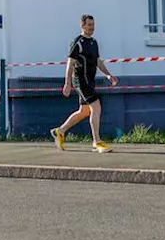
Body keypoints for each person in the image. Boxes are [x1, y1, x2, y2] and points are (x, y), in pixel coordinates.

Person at [50, 14, 118, 153]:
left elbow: (98, 61)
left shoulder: (94, 42)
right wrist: (67, 83)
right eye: (89, 25)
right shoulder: (78, 42)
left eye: (93, 25)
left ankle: (60, 131)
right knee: (96, 106)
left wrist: (108, 75)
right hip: (81, 81)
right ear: (82, 25)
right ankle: (97, 141)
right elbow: (70, 63)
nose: (92, 27)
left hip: (90, 81)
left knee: (85, 111)